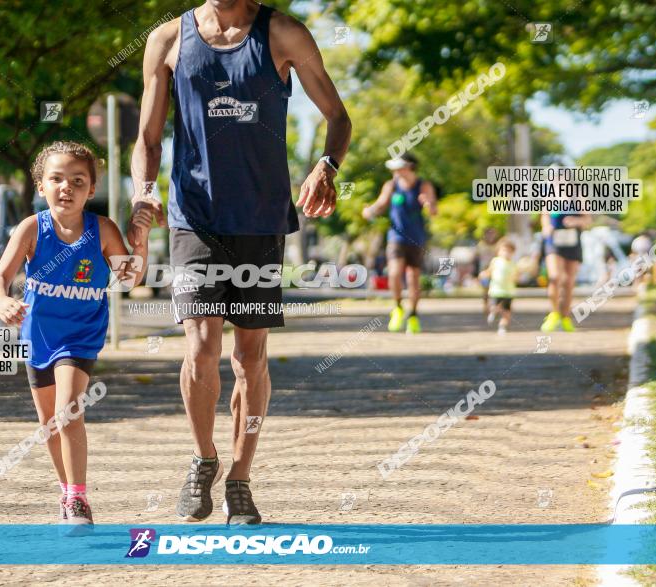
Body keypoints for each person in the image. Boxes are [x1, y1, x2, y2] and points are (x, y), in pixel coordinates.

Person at [127, 0, 350, 524]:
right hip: (194, 216)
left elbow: (338, 116)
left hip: (261, 216)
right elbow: (147, 138)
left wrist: (326, 165)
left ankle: (241, 479)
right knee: (201, 346)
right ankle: (204, 458)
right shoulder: (167, 39)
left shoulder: (284, 34)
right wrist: (143, 192)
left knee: (250, 358)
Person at [0, 141, 152, 533]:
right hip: (38, 337)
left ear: (91, 190)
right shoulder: (31, 228)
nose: (67, 187)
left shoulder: (102, 230)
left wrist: (140, 245)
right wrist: (1, 302)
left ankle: (78, 496)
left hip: (80, 337)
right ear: (41, 187)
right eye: (56, 179)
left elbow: (129, 279)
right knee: (49, 423)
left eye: (78, 180)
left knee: (67, 411)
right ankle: (67, 491)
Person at [362, 152, 437, 333]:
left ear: (408, 166)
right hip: (396, 237)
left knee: (413, 278)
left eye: (398, 167)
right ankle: (397, 307)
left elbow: (434, 210)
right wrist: (370, 211)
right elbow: (381, 204)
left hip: (417, 238)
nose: (395, 171)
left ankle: (413, 315)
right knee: (394, 273)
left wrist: (428, 204)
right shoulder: (391, 185)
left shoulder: (423, 185)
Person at [540, 210, 591, 332]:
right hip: (553, 242)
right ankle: (554, 314)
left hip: (572, 242)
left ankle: (565, 317)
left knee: (568, 282)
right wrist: (546, 226)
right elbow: (545, 215)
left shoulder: (578, 197)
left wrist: (576, 221)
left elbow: (588, 220)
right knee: (555, 277)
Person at [480, 238, 517, 334]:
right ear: (498, 251)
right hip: (496, 290)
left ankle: (502, 326)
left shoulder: (513, 264)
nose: (506, 253)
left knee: (507, 312)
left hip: (508, 292)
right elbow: (490, 271)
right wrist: (484, 274)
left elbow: (516, 276)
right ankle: (494, 312)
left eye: (509, 251)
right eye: (504, 250)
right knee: (495, 306)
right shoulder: (496, 261)